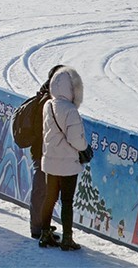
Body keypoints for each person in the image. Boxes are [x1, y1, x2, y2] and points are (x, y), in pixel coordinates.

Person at [38, 66, 89, 251]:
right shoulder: (70, 110)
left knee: (49, 198)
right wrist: (85, 147)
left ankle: (45, 234)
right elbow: (75, 139)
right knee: (67, 201)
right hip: (67, 164)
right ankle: (67, 239)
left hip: (50, 161)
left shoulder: (48, 105)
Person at [25, 65, 67, 240]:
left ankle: (43, 226)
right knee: (42, 189)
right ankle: (38, 229)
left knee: (47, 190)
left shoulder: (49, 96)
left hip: (45, 150)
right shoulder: (47, 100)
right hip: (44, 151)